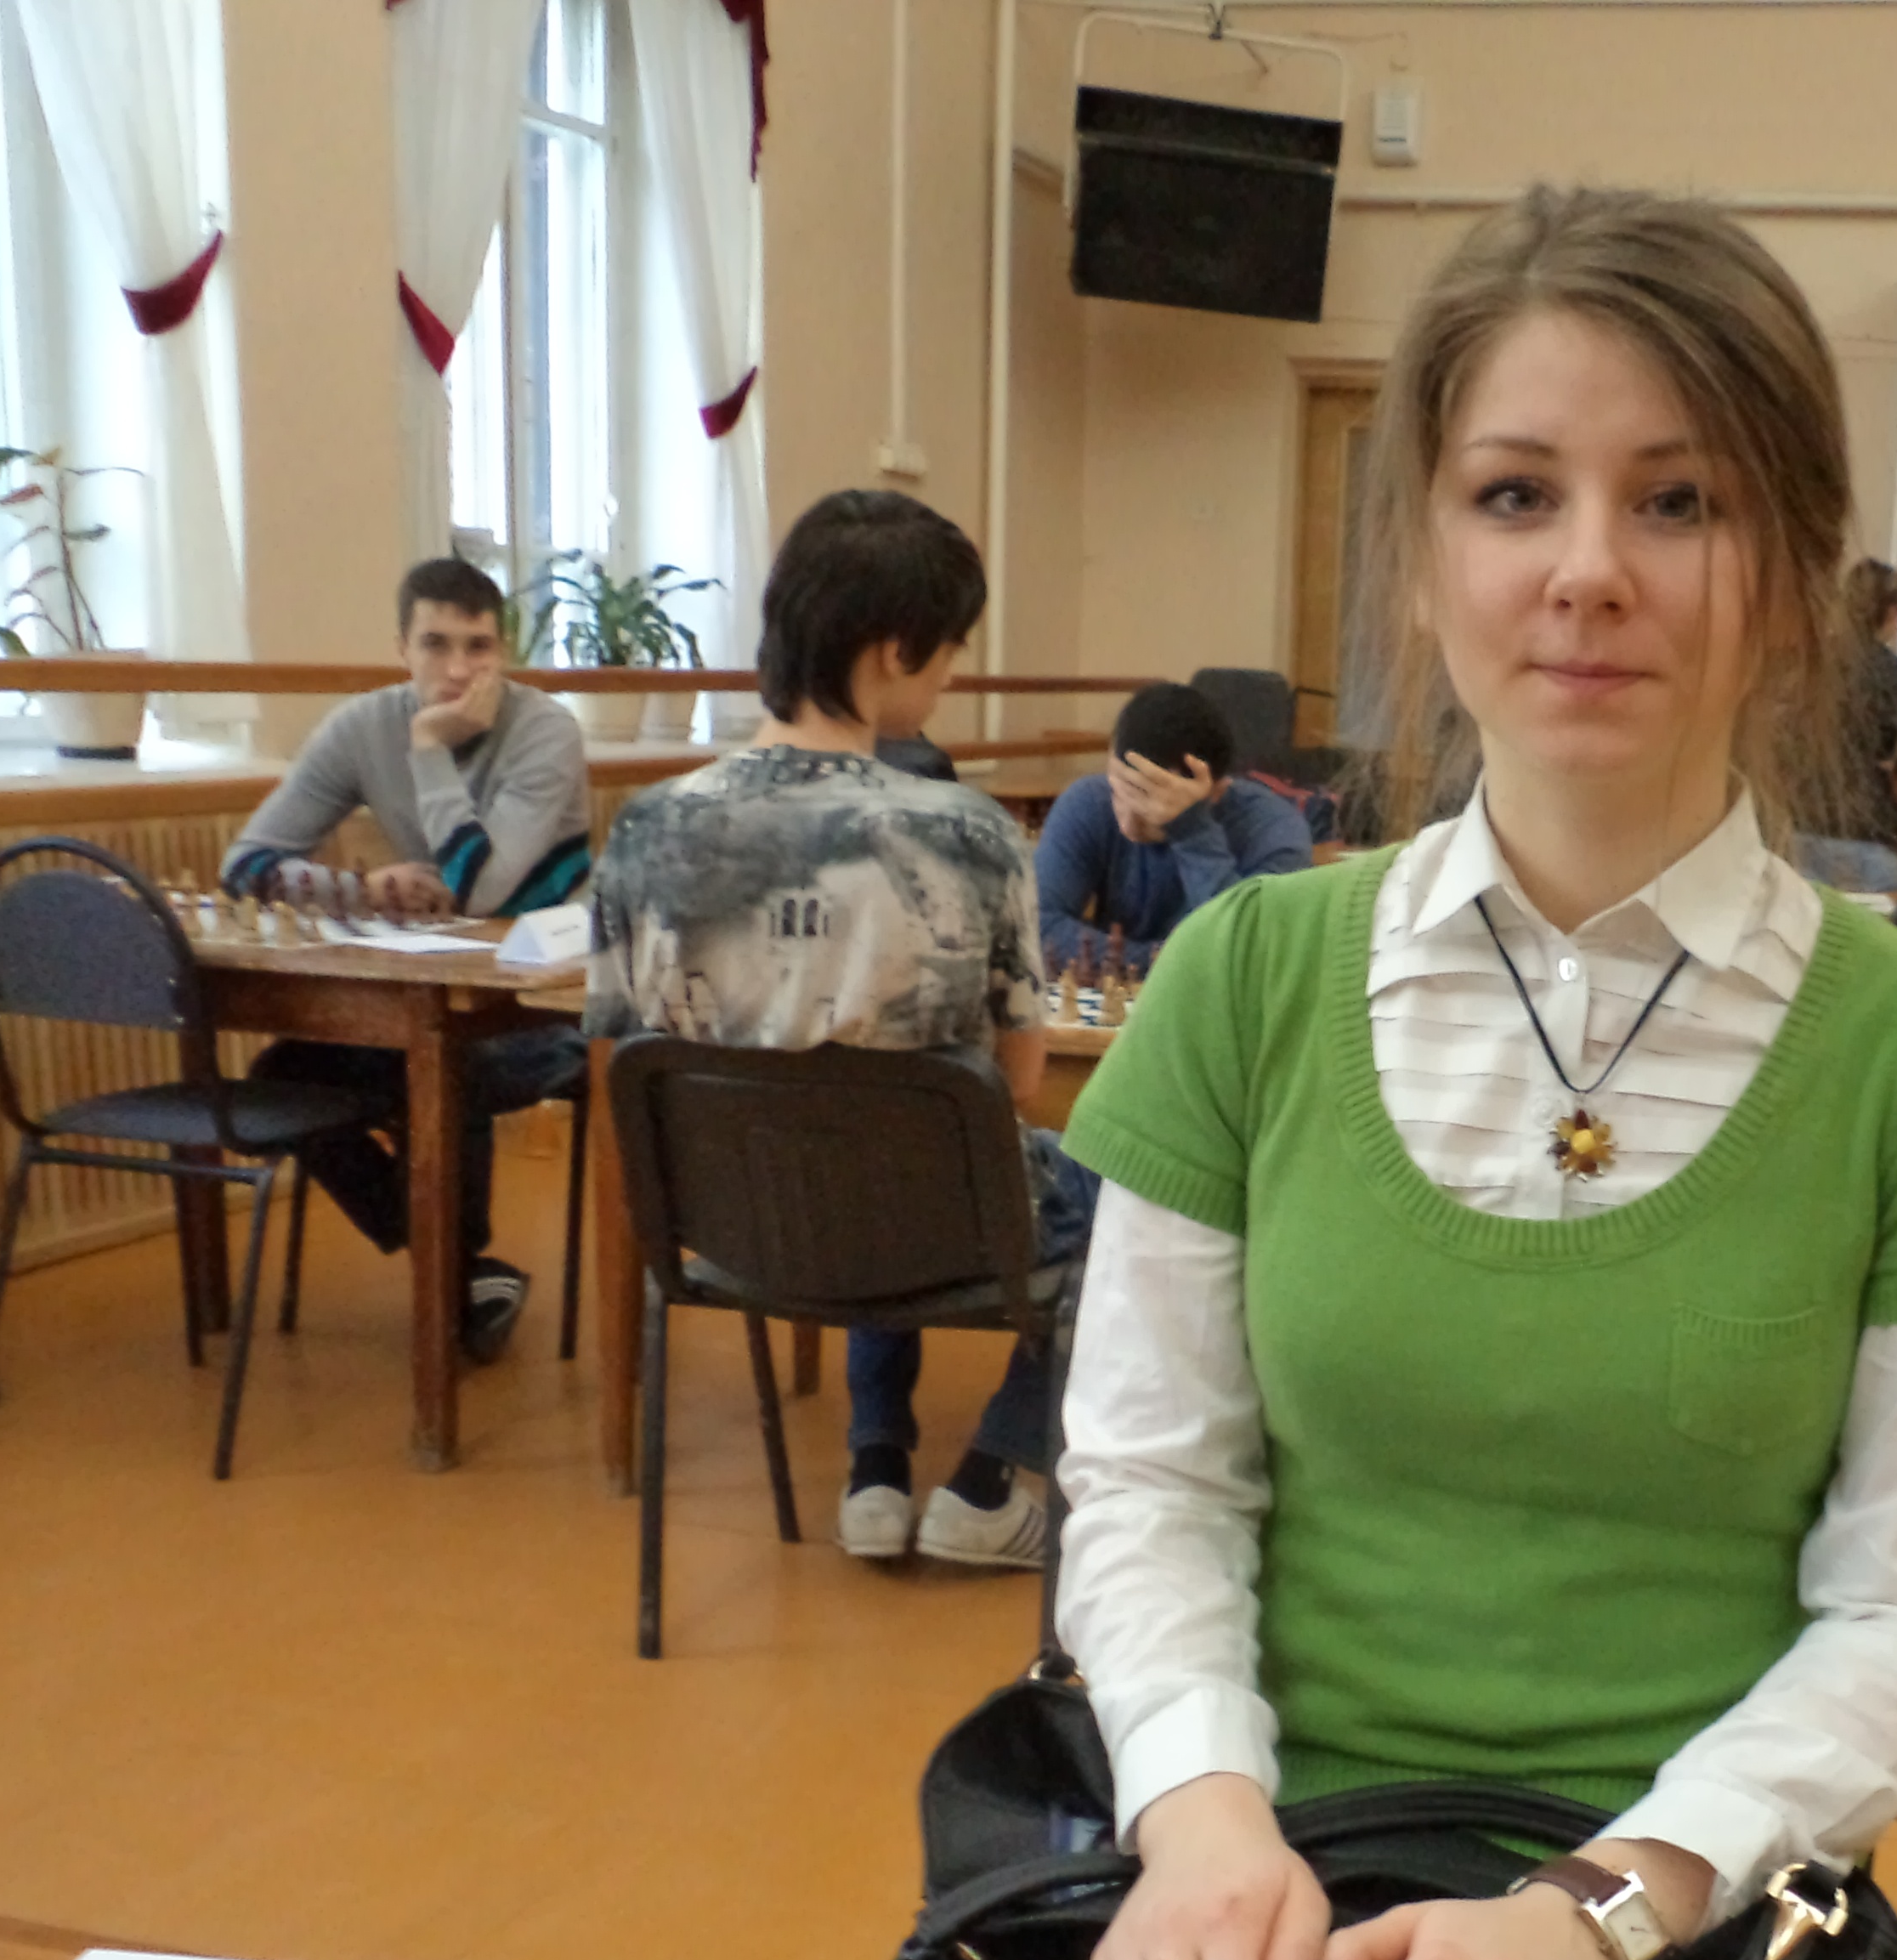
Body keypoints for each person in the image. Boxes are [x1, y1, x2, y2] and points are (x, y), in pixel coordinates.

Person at [1041, 186, 1897, 1960]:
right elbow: (1156, 1477)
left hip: (1698, 1932)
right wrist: (1197, 1812)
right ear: (1426, 554)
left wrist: (1606, 1905)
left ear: (1792, 575)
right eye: (1516, 494)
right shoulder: (1247, 977)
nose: (1588, 571)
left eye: (1678, 502)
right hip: (1257, 1884)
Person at [584, 490, 1075, 1568]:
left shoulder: (646, 827)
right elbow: (1022, 1080)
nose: (950, 678)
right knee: (1139, 1199)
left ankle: (876, 1468)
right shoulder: (968, 835)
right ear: (895, 649)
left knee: (860, 1148)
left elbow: (621, 1053)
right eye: (950, 651)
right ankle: (991, 1479)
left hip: (724, 1227)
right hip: (933, 1221)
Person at [218, 556, 592, 1362]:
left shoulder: (546, 732)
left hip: (542, 1004)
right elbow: (243, 866)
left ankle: (455, 1283)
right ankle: (461, 1270)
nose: (458, 670)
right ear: (401, 649)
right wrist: (358, 887)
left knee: (444, 1068)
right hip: (429, 997)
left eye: (478, 647)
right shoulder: (360, 727)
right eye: (435, 645)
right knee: (282, 1077)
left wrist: (428, 746)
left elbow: (479, 891)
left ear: (503, 650)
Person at [1034, 683, 1314, 979]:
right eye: (1121, 790)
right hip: (1125, 994)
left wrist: (1192, 831)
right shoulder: (1089, 801)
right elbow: (1038, 927)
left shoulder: (1276, 830)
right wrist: (1171, 964)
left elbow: (1255, 954)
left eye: (1150, 799)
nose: (1128, 820)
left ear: (1216, 790)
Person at [1799, 557, 1897, 891]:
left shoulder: (1810, 662)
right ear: (1891, 613)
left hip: (1803, 818)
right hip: (1868, 823)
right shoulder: (1889, 671)